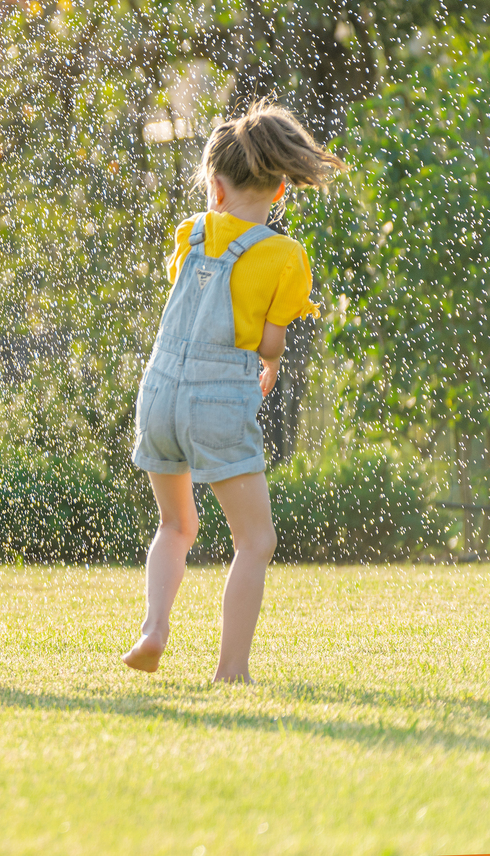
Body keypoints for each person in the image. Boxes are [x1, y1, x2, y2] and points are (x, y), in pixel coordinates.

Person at [123, 101, 343, 682]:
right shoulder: (284, 255)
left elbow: (187, 310)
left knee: (175, 525)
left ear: (215, 189)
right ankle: (232, 669)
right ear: (279, 192)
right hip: (219, 400)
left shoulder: (190, 233)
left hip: (159, 395)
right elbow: (270, 345)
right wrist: (265, 364)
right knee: (255, 539)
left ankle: (153, 628)